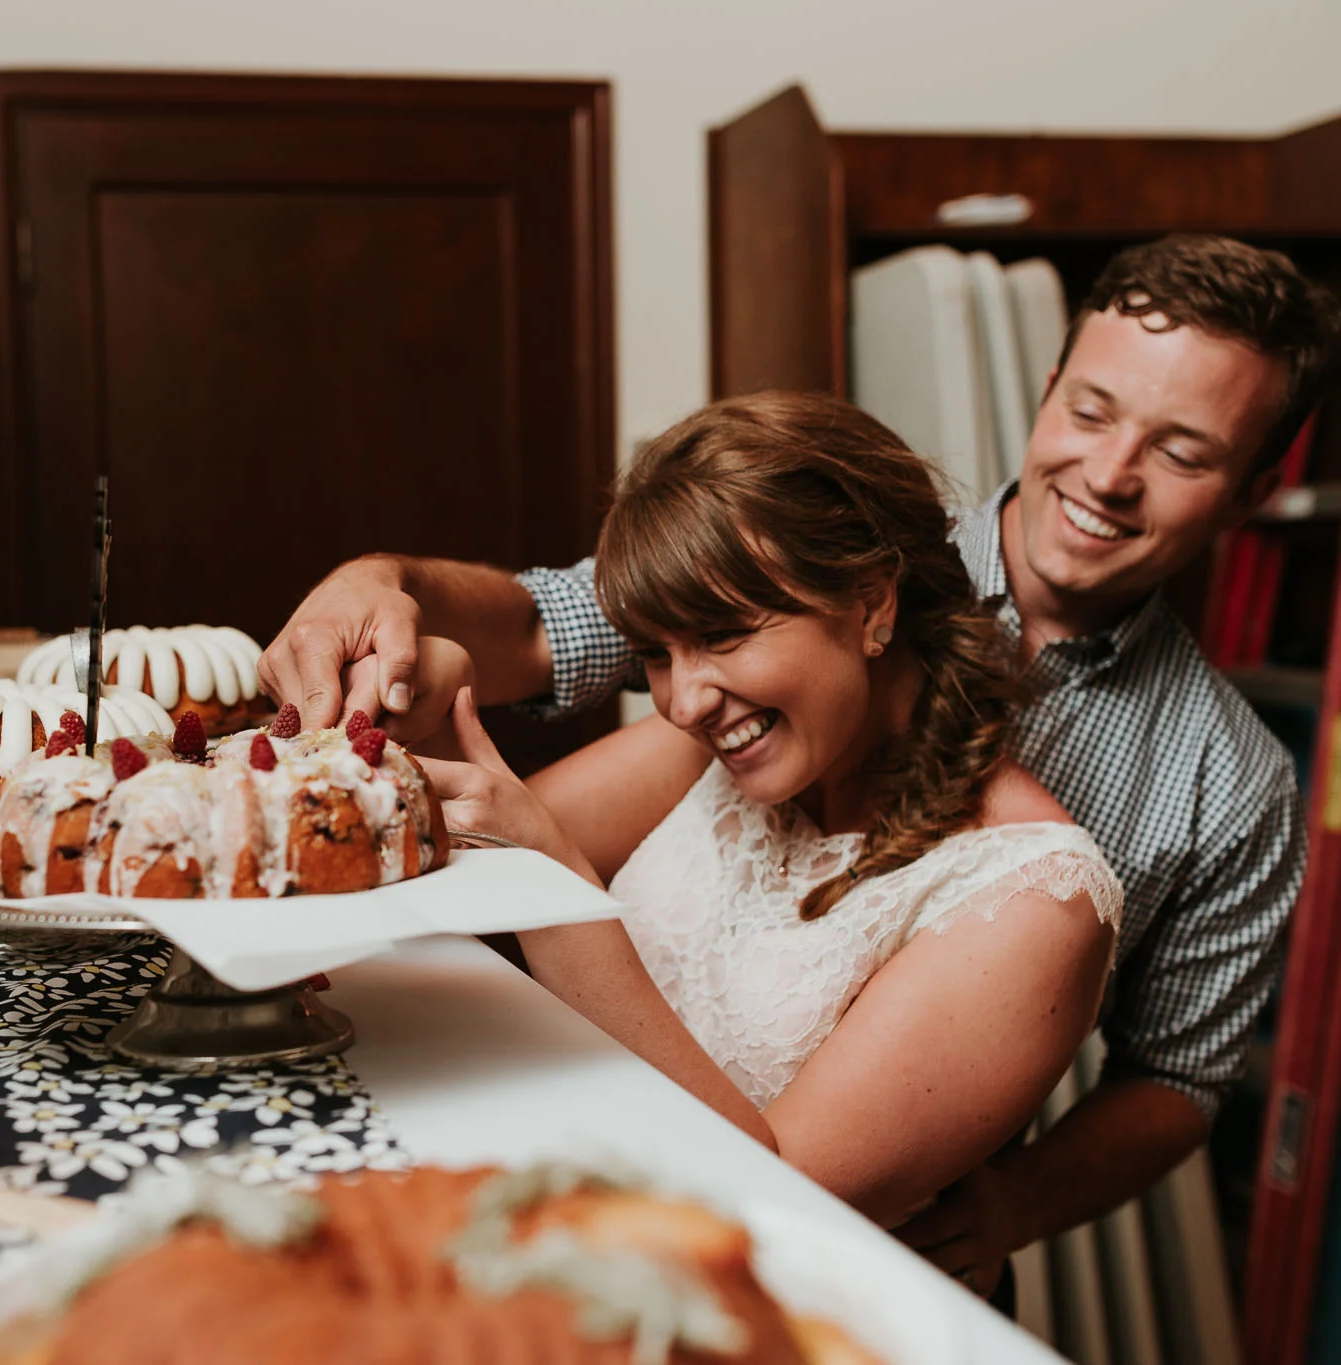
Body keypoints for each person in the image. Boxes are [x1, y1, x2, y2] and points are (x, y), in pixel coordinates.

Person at [261, 234, 1336, 1293]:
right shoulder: (815, 556)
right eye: (1090, 411)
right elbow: (536, 644)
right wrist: (385, 595)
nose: (1106, 474)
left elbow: (1173, 1079)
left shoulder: (1197, 793)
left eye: (1181, 451)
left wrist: (1013, 1205)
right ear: (1049, 386)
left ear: (1247, 491)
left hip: (793, 1260)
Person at [408, 391, 1123, 1229]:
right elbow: (445, 858)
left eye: (721, 634)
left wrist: (556, 891)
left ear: (872, 603)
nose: (680, 702)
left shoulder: (1040, 900)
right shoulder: (720, 748)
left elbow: (772, 1202)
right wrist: (410, 718)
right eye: (656, 653)